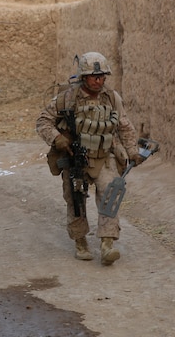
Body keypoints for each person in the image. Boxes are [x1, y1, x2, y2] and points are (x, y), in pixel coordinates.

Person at [36, 52, 143, 265]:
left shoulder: (112, 98)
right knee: (75, 198)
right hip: (76, 156)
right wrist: (57, 139)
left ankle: (107, 244)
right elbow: (43, 122)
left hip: (104, 156)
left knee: (111, 193)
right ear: (84, 77)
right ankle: (80, 241)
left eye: (102, 76)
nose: (98, 80)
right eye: (94, 76)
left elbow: (124, 125)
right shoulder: (67, 98)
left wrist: (132, 151)